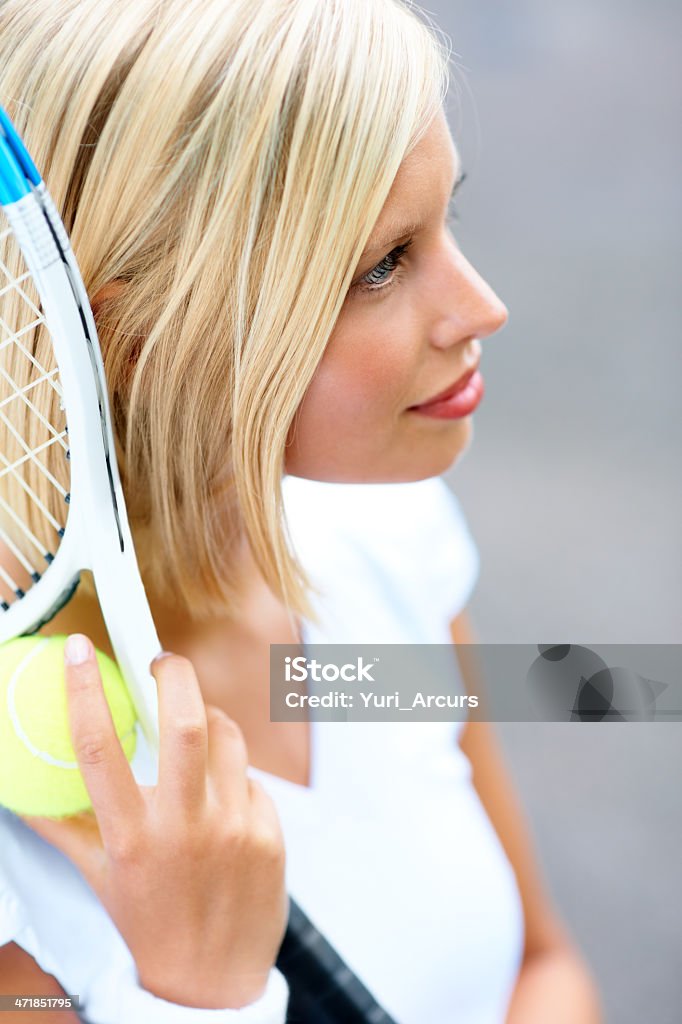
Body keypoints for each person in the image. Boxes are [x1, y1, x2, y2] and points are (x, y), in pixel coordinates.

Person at [0, 0, 603, 1021]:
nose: (481, 306)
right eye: (379, 267)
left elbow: (541, 966)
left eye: (444, 219)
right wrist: (198, 992)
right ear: (135, 341)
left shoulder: (385, 540)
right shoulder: (26, 843)